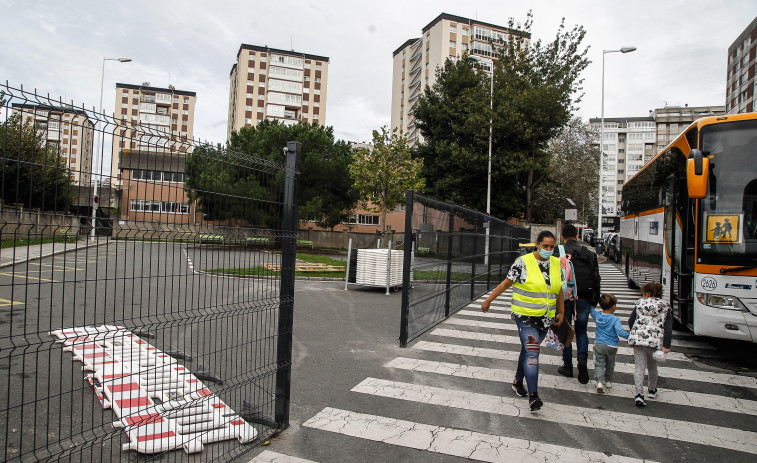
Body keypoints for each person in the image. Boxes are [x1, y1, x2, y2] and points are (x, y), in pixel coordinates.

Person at [482, 230, 565, 412]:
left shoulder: (557, 264)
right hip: (525, 317)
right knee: (533, 353)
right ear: (537, 244)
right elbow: (506, 283)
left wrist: (562, 311)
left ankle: (517, 381)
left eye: (552, 247)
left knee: (528, 350)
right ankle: (533, 396)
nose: (549, 250)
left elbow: (558, 289)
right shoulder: (523, 262)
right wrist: (489, 300)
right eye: (545, 246)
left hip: (546, 318)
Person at [556, 224, 601, 384]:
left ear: (562, 236)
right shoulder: (589, 254)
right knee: (581, 331)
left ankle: (567, 366)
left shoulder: (557, 252)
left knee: (566, 330)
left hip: (564, 297)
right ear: (577, 236)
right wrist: (594, 299)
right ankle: (582, 358)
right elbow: (596, 277)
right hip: (584, 296)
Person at [627, 282, 673, 407]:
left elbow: (631, 321)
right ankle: (652, 390)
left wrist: (636, 333)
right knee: (652, 366)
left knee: (639, 367)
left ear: (646, 293)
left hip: (638, 341)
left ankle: (639, 395)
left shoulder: (640, 303)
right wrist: (666, 345)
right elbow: (668, 328)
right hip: (654, 342)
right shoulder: (665, 307)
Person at [589, 293, 629, 393]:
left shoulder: (598, 316)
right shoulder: (615, 319)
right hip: (612, 345)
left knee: (599, 364)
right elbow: (620, 332)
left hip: (599, 344)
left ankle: (599, 383)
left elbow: (591, 310)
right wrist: (631, 337)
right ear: (613, 307)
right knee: (610, 364)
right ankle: (608, 381)